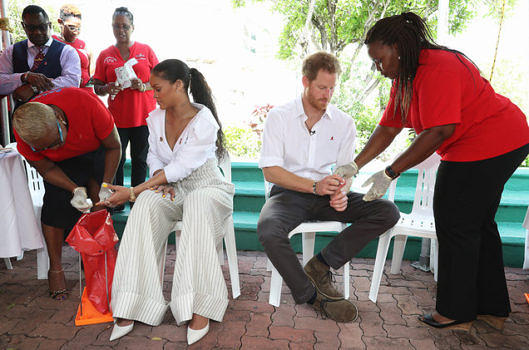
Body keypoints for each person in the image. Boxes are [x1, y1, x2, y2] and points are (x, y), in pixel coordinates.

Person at [355, 12, 529, 331]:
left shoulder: (438, 67)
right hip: (497, 140)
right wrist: (353, 165)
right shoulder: (405, 76)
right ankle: (492, 308)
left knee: (455, 223)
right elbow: (388, 127)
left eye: (379, 60)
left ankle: (455, 311)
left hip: (491, 141)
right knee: (477, 224)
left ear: (397, 47)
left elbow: (439, 131)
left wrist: (389, 173)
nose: (378, 69)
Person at [257, 51, 400, 322]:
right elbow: (271, 170)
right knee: (268, 229)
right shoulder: (279, 117)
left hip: (325, 194)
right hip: (289, 194)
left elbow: (345, 172)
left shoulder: (344, 123)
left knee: (386, 211)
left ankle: (321, 265)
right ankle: (312, 295)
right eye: (322, 87)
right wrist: (314, 186)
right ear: (305, 82)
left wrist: (340, 194)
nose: (328, 94)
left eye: (332, 88)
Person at [101, 59, 234, 345]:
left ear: (179, 86)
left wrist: (134, 190)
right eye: (152, 89)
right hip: (171, 188)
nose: (154, 94)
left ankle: (199, 305)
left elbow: (181, 168)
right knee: (146, 205)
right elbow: (155, 159)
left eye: (158, 89)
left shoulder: (204, 121)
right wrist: (155, 186)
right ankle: (133, 302)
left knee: (196, 203)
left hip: (208, 187)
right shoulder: (155, 118)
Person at [12, 87, 121, 300]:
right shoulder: (24, 131)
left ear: (60, 118)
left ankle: (94, 259)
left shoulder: (86, 104)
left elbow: (114, 146)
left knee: (99, 201)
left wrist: (106, 185)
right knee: (55, 204)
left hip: (99, 150)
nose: (55, 147)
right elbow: (46, 168)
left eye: (55, 141)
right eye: (47, 147)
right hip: (60, 166)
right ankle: (55, 269)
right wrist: (74, 189)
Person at [93, 7, 158, 211]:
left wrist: (143, 85)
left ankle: (137, 199)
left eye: (125, 26)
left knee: (140, 159)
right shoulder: (105, 55)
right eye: (116, 26)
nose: (120, 30)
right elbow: (97, 87)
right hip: (117, 119)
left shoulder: (145, 50)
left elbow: (160, 81)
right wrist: (107, 87)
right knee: (117, 160)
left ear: (132, 27)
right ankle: (118, 200)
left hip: (143, 116)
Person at [0, 5, 80, 105]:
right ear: (24, 26)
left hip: (58, 116)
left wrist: (34, 88)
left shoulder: (67, 52)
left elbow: (72, 82)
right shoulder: (11, 52)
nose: (37, 32)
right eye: (31, 28)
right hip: (22, 117)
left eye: (42, 27)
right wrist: (23, 77)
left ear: (50, 25)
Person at [53, 4, 92, 88]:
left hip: (86, 91)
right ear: (60, 22)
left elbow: (91, 73)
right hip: (62, 91)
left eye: (79, 28)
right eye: (72, 27)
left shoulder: (83, 44)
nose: (76, 32)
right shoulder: (52, 42)